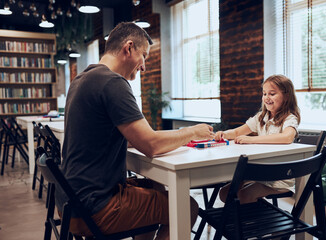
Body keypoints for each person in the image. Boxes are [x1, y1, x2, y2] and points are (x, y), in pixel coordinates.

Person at [55, 22, 214, 240]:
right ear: (128, 48)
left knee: (157, 190)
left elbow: (115, 137)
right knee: (186, 205)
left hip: (70, 201)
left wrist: (159, 137)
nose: (144, 66)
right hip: (96, 206)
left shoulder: (82, 79)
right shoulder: (112, 82)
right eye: (145, 56)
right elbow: (151, 145)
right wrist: (193, 132)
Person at [214, 74, 300, 204]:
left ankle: (251, 220)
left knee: (244, 195)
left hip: (279, 176)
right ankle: (241, 218)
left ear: (286, 96)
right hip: (260, 172)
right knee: (225, 193)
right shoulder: (261, 117)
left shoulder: (289, 118)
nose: (267, 98)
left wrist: (252, 139)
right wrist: (223, 134)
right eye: (264, 93)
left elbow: (287, 137)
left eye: (272, 93)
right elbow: (237, 131)